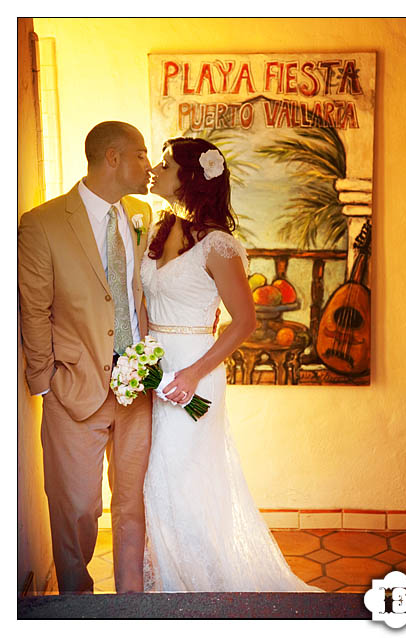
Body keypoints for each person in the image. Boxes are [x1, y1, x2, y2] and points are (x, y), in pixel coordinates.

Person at [140, 137, 322, 592]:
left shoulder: (218, 245)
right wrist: (140, 360)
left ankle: (202, 591)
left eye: (164, 164)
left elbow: (244, 322)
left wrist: (192, 374)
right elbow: (143, 302)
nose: (154, 170)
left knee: (183, 480)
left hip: (194, 375)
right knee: (156, 482)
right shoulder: (156, 229)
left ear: (191, 177)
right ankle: (168, 587)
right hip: (152, 371)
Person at [18, 121, 154, 594]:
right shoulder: (43, 223)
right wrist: (45, 381)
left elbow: (138, 292)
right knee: (76, 508)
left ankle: (130, 606)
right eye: (140, 154)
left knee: (133, 503)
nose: (148, 164)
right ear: (112, 158)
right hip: (74, 387)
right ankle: (78, 606)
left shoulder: (141, 214)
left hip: (138, 387)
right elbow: (32, 307)